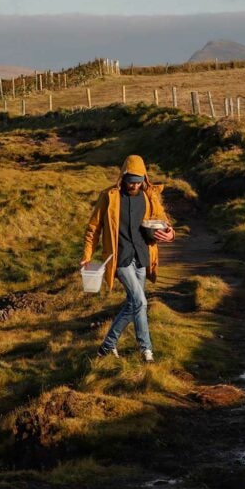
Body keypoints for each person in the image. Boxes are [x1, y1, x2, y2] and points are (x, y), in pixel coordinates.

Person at [81, 154, 174, 363]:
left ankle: (110, 347)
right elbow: (93, 229)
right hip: (120, 258)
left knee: (134, 303)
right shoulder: (109, 197)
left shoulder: (149, 195)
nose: (134, 185)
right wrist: (87, 256)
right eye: (131, 181)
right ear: (122, 177)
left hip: (142, 255)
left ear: (144, 179)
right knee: (140, 301)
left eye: (138, 181)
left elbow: (164, 222)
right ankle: (145, 349)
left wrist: (170, 233)